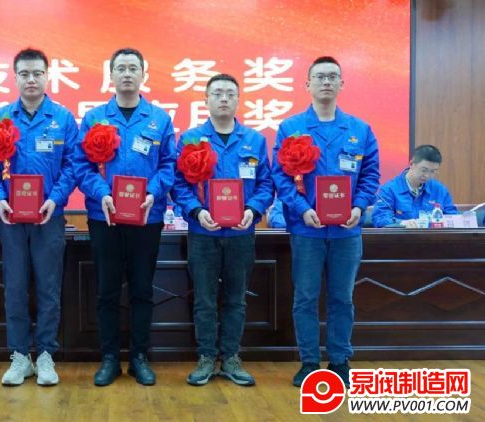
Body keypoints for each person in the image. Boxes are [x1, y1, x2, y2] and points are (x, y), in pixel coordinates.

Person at [272, 56, 380, 387]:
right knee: (305, 297)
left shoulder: (360, 130)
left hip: (347, 231)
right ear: (307, 84)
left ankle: (339, 360)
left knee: (342, 298)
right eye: (320, 77)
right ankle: (308, 362)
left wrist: (359, 207)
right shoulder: (291, 128)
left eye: (333, 76)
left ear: (342, 84)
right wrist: (302, 208)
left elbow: (370, 175)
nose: (327, 82)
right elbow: (281, 177)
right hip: (307, 229)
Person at [73, 48, 176, 386]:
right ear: (112, 75)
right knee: (106, 290)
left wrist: (153, 193)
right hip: (105, 216)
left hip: (147, 216)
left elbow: (169, 166)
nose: (127, 74)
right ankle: (109, 359)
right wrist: (102, 193)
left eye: (133, 68)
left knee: (142, 289)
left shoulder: (159, 119)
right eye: (121, 68)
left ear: (143, 74)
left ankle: (139, 357)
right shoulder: (94, 118)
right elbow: (82, 167)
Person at [0, 48, 78, 386]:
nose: (31, 79)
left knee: (49, 287)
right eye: (24, 74)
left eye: (37, 73)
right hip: (10, 218)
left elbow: (72, 166)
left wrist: (55, 199)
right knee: (15, 287)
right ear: (15, 77)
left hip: (49, 217)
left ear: (47, 76)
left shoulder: (63, 118)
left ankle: (47, 354)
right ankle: (20, 355)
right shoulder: (1, 118)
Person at [171, 74, 273, 386]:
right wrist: (197, 211)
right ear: (206, 100)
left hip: (241, 233)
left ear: (239, 100)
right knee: (204, 299)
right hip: (204, 233)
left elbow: (266, 184)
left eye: (230, 93)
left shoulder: (254, 140)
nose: (224, 98)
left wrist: (252, 210)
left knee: (236, 299)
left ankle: (230, 357)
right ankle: (205, 357)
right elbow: (179, 185)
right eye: (217, 93)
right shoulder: (191, 140)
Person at [372, 145, 457, 227]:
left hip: (433, 236)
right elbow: (380, 219)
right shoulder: (389, 190)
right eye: (424, 170)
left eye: (433, 171)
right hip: (402, 236)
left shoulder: (440, 190)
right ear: (411, 164)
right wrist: (400, 223)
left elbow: (453, 218)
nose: (427, 175)